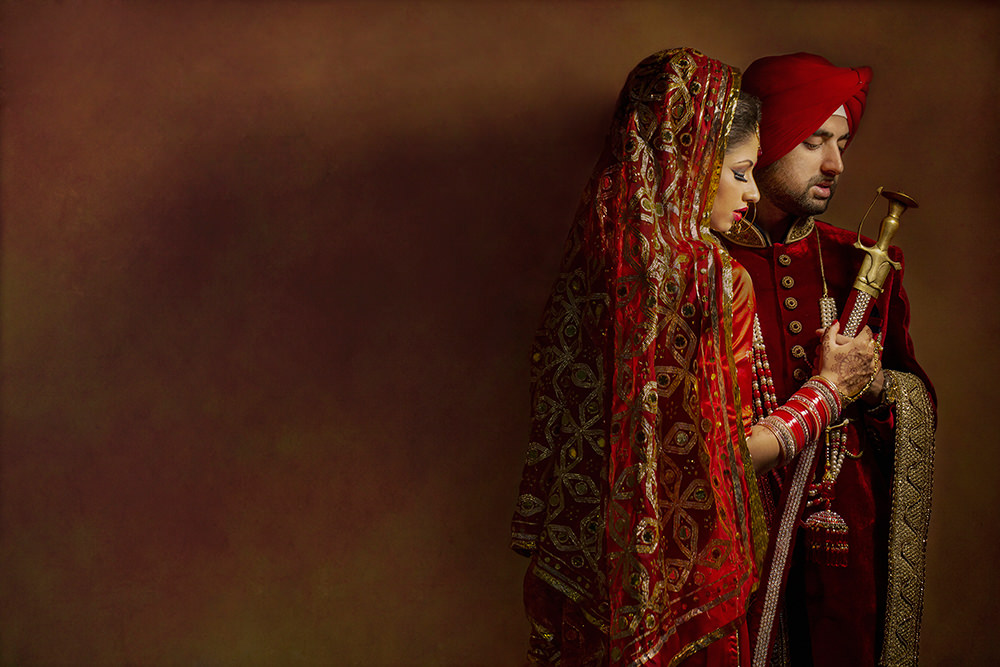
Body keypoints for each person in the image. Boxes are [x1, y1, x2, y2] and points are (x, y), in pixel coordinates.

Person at [510, 48, 878, 666]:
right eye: (740, 171)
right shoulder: (708, 275)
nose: (752, 190)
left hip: (601, 582)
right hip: (687, 593)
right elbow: (722, 459)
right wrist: (829, 393)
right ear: (688, 166)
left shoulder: (598, 266)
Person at [720, 53, 937, 666]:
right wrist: (825, 388)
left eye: (842, 142)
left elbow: (913, 398)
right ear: (765, 142)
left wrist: (868, 387)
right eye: (815, 141)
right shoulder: (695, 265)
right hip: (732, 539)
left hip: (841, 549)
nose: (836, 164)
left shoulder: (860, 262)